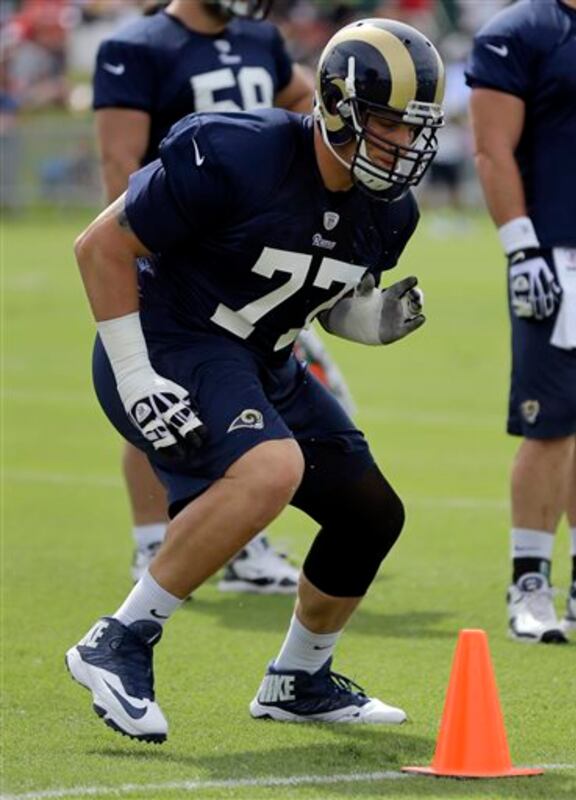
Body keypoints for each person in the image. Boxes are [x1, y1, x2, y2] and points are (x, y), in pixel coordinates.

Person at [65, 17, 445, 742]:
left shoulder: (391, 210)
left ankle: (299, 679)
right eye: (389, 123)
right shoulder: (237, 150)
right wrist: (136, 371)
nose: (405, 143)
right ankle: (118, 639)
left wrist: (370, 323)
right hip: (170, 336)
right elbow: (98, 248)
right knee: (272, 468)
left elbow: (317, 297)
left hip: (263, 354)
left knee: (370, 515)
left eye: (415, 127)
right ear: (336, 106)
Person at [93, 0, 353, 593]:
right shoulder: (140, 45)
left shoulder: (260, 38)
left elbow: (306, 101)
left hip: (255, 247)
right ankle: (153, 541)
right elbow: (119, 163)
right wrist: (143, 248)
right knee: (159, 399)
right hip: (179, 243)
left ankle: (241, 541)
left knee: (253, 396)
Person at [466, 0, 576, 643]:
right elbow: (492, 148)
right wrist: (521, 246)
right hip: (562, 257)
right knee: (552, 422)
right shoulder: (520, 32)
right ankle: (530, 583)